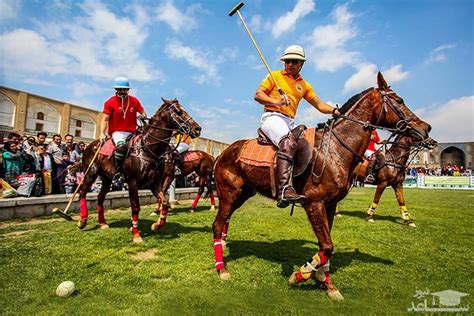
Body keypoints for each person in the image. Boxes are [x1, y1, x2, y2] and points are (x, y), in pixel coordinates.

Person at [254, 45, 340, 208]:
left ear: (301, 64)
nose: (290, 64)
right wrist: (276, 101)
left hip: (289, 121)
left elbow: (320, 105)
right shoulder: (274, 76)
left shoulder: (304, 85)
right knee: (289, 143)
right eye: (287, 61)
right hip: (272, 117)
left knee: (306, 147)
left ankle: (302, 184)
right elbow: (258, 95)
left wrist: (335, 110)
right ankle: (284, 190)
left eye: (294, 61)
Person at [100, 77, 147, 171]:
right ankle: (119, 172)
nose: (122, 91)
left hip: (133, 132)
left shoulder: (134, 100)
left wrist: (143, 115)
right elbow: (105, 119)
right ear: (115, 89)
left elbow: (143, 113)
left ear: (128, 90)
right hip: (117, 132)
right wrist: (102, 133)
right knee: (121, 147)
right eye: (119, 89)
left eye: (124, 89)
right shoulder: (110, 102)